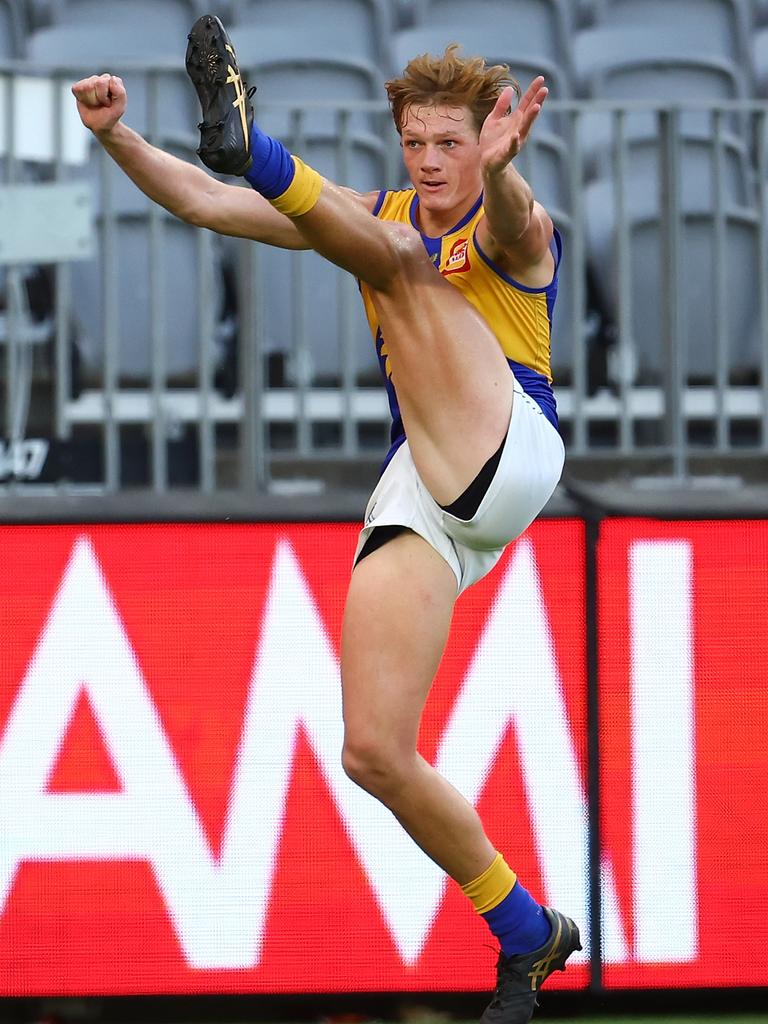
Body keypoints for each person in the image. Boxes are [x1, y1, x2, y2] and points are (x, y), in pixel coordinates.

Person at [72, 15, 580, 1022]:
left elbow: (513, 225)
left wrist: (507, 170)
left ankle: (251, 136)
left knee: (394, 255)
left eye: (451, 143)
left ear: (486, 139)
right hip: (431, 483)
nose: (432, 161)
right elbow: (209, 204)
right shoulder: (387, 210)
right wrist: (116, 137)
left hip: (510, 444)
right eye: (418, 143)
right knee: (373, 750)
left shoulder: (510, 222)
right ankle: (528, 931)